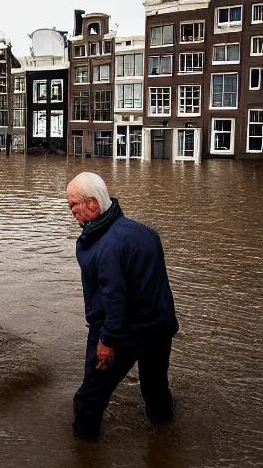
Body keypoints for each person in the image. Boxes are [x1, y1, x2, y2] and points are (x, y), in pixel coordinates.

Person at [65, 172, 179, 441]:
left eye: (73, 205)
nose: (71, 212)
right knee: (156, 391)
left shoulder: (105, 246)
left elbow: (114, 298)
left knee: (89, 399)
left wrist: (107, 342)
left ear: (92, 204)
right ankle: (166, 443)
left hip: (121, 333)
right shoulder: (146, 233)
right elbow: (157, 284)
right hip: (160, 329)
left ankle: (84, 451)